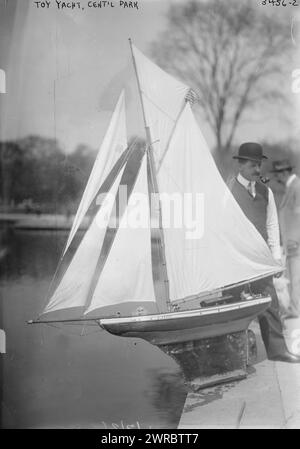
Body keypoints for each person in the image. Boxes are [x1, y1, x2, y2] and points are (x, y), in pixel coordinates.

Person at [229, 142, 300, 363]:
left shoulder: (265, 190)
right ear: (241, 165)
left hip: (261, 261)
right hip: (237, 260)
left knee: (271, 304)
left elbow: (271, 225)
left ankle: (278, 350)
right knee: (235, 308)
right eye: (253, 165)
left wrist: (276, 258)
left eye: (259, 165)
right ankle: (234, 357)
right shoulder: (227, 191)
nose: (258, 170)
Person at [271, 159, 300, 318]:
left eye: (277, 175)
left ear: (284, 173)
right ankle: (293, 309)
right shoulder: (291, 188)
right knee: (291, 277)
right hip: (291, 243)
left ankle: (296, 311)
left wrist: (295, 240)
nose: (277, 178)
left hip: (295, 243)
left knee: (296, 278)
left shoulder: (297, 187)